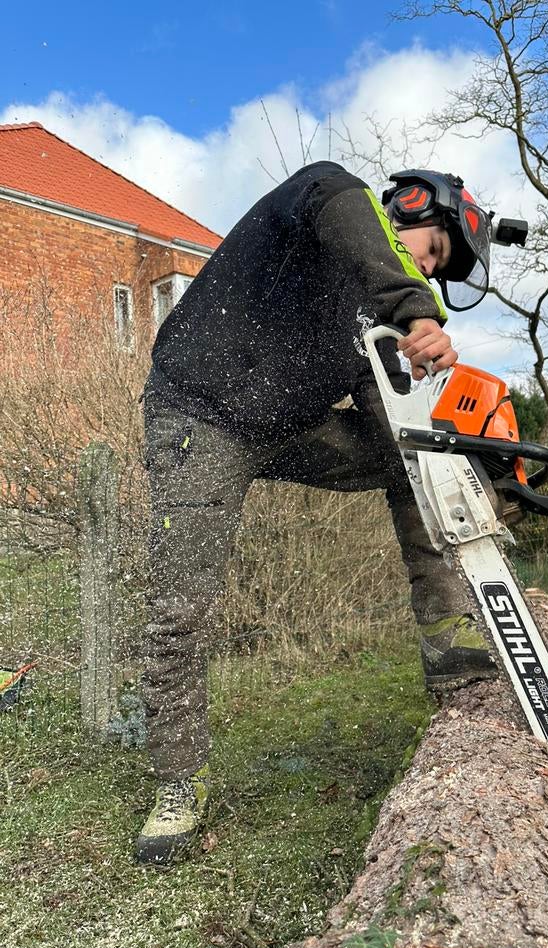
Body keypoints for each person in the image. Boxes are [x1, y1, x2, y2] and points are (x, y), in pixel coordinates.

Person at [136, 162, 498, 864]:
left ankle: (448, 636)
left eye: (435, 268)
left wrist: (453, 453)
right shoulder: (328, 198)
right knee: (181, 608)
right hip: (197, 415)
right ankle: (179, 780)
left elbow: (385, 408)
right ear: (412, 210)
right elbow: (348, 211)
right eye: (433, 252)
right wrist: (416, 305)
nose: (426, 268)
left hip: (285, 426)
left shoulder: (371, 319)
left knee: (411, 452)